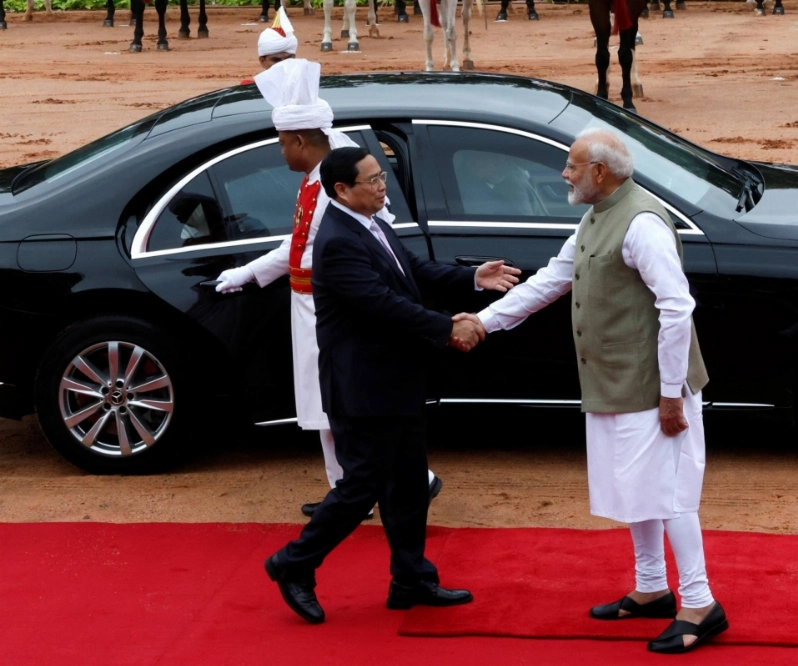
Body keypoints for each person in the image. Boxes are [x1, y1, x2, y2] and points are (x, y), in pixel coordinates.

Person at [455, 129, 728, 654]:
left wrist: (672, 393)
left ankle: (700, 603)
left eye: (572, 165)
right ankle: (652, 589)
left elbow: (677, 308)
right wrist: (484, 322)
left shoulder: (642, 223)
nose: (564, 174)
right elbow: (551, 282)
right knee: (637, 488)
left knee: (669, 495)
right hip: (618, 382)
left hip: (653, 388)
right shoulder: (595, 217)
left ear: (600, 172)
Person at [263, 145, 521, 624]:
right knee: (361, 486)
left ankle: (411, 579)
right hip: (363, 386)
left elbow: (411, 273)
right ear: (342, 190)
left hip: (395, 379)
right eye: (373, 180)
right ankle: (293, 563)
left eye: (382, 176)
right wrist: (448, 328)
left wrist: (472, 278)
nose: (384, 186)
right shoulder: (338, 241)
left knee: (406, 484)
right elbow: (382, 304)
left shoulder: (371, 222)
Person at [215, 58, 442, 519]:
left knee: (343, 404)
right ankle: (345, 490)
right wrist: (250, 273)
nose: (280, 152)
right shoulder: (313, 181)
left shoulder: (333, 188)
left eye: (283, 143)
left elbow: (341, 252)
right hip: (307, 305)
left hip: (331, 309)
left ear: (300, 140)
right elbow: (295, 247)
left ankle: (400, 483)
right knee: (325, 408)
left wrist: (255, 272)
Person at [242, 7, 297, 85]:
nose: (283, 66)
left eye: (288, 60)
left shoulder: (309, 85)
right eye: (276, 60)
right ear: (262, 62)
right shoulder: (252, 90)